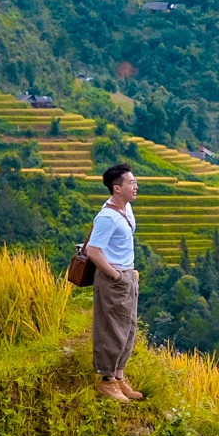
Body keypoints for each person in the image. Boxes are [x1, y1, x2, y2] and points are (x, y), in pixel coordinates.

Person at [84, 163, 142, 403]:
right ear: (117, 188)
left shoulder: (126, 209)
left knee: (128, 328)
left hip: (128, 275)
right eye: (131, 182)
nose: (136, 186)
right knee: (112, 330)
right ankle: (107, 381)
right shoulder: (107, 217)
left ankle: (119, 376)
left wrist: (129, 274)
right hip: (114, 278)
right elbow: (93, 251)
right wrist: (116, 276)